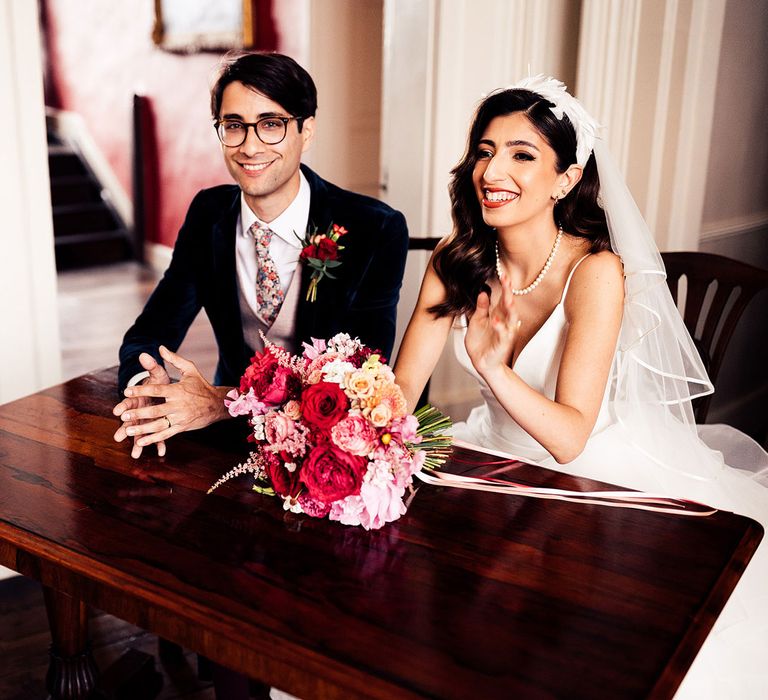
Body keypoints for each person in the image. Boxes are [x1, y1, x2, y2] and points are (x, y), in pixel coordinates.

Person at [393, 76, 768, 698]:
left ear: (566, 180)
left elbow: (570, 438)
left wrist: (493, 367)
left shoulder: (596, 271)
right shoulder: (456, 259)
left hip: (596, 471)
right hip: (493, 454)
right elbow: (402, 390)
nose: (494, 170)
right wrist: (342, 430)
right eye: (485, 151)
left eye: (522, 154)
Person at [112, 51, 408, 459]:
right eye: (233, 126)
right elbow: (148, 334)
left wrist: (220, 402)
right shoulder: (208, 213)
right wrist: (147, 386)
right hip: (223, 441)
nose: (250, 146)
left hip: (323, 447)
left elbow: (359, 380)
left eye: (271, 125)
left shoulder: (375, 228)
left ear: (307, 130)